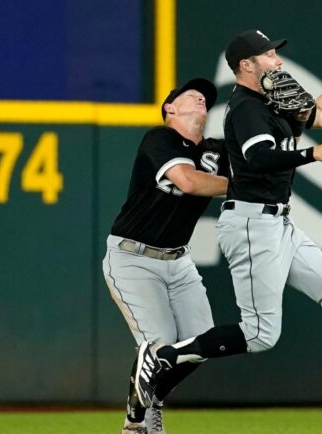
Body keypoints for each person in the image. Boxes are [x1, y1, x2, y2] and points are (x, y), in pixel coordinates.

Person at [134, 29, 322, 429]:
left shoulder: (271, 100)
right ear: (246, 66)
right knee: (259, 335)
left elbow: (320, 116)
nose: (278, 61)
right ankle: (164, 357)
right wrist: (313, 154)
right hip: (252, 224)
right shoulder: (247, 107)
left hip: (277, 222)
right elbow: (258, 159)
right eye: (268, 55)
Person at [102, 77, 229, 434]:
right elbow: (188, 181)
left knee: (203, 342)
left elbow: (264, 160)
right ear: (170, 108)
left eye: (206, 97)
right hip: (133, 259)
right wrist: (240, 186)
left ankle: (151, 400)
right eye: (192, 95)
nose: (202, 98)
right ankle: (135, 422)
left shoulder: (217, 151)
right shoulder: (159, 138)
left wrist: (312, 152)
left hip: (178, 261)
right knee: (158, 346)